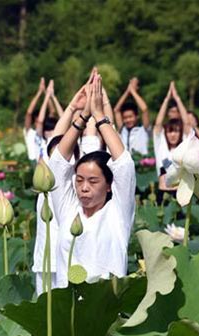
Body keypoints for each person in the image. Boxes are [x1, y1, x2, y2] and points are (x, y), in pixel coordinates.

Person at [50, 71, 136, 289]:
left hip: (106, 309)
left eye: (93, 181)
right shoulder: (68, 208)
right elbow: (58, 162)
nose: (84, 188)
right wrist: (82, 115)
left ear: (109, 186)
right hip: (67, 308)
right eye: (79, 180)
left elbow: (124, 165)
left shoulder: (118, 213)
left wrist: (100, 116)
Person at [153, 81, 191, 203]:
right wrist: (167, 99)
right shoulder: (161, 144)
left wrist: (177, 98)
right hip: (163, 193)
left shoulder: (184, 144)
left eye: (176, 131)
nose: (173, 134)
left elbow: (187, 123)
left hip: (180, 192)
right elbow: (158, 123)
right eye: (170, 131)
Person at [114, 77, 150, 156]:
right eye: (125, 118)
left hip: (141, 166)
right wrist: (128, 91)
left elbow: (144, 109)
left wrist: (133, 92)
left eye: (130, 117)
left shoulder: (143, 129)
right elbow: (116, 110)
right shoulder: (122, 129)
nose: (128, 120)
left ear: (137, 116)